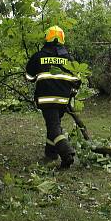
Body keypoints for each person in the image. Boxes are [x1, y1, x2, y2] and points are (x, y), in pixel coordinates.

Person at [24, 25, 82, 169]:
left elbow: (29, 76)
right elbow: (77, 79)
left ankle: (66, 152)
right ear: (62, 39)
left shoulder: (38, 56)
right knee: (54, 125)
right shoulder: (68, 58)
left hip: (45, 98)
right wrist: (71, 93)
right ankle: (50, 153)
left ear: (47, 38)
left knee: (54, 127)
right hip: (63, 100)